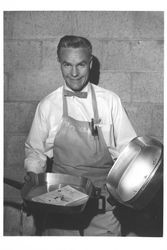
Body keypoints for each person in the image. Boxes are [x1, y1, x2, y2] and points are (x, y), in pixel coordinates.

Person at [24, 35, 137, 236]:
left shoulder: (110, 102)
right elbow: (35, 153)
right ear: (60, 63)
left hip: (103, 212)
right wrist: (33, 180)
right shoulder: (48, 105)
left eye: (81, 65)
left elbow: (128, 154)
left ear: (90, 64)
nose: (74, 73)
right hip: (60, 211)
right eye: (67, 65)